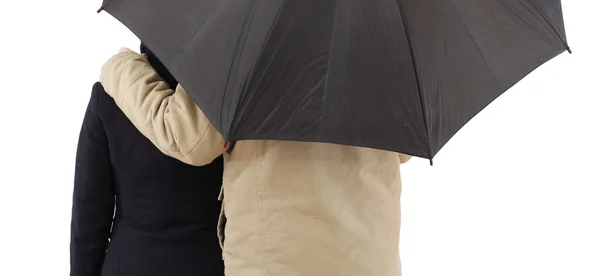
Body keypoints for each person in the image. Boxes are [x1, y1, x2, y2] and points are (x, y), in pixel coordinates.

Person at [100, 47, 412, 276]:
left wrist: (119, 67)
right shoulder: (385, 35)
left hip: (276, 260)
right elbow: (403, 148)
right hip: (372, 258)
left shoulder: (248, 29)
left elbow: (190, 138)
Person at [70, 44, 224, 276]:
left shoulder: (109, 96)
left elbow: (89, 214)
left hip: (128, 263)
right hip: (211, 263)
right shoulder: (226, 99)